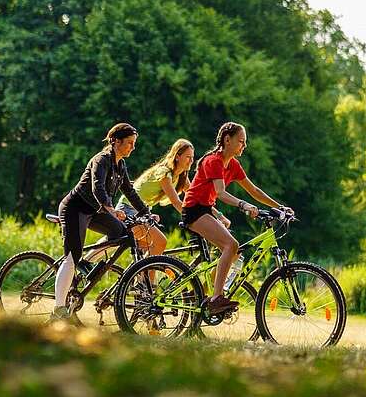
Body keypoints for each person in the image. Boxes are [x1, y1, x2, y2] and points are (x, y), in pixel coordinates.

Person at [181, 122, 289, 315]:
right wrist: (243, 205)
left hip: (206, 210)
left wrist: (279, 207)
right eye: (241, 141)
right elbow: (220, 193)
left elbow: (254, 190)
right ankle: (216, 299)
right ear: (227, 139)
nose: (244, 146)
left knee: (234, 251)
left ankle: (201, 296)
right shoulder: (213, 161)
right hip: (194, 210)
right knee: (231, 245)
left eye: (245, 142)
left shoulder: (233, 165)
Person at [54, 123, 154, 323]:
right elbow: (97, 187)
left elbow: (129, 191)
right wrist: (112, 210)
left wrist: (146, 212)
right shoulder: (101, 160)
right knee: (71, 258)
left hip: (95, 210)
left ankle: (87, 262)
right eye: (129, 143)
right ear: (116, 141)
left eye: (134, 143)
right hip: (75, 209)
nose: (133, 147)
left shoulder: (121, 165)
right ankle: (58, 309)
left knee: (122, 234)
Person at [117, 138, 196, 257]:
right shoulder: (164, 173)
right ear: (177, 156)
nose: (191, 161)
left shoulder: (181, 177)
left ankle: (142, 275)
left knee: (148, 258)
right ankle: (85, 263)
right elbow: (176, 202)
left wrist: (217, 217)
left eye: (192, 157)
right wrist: (194, 221)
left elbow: (196, 198)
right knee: (159, 242)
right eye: (188, 157)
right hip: (128, 208)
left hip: (141, 212)